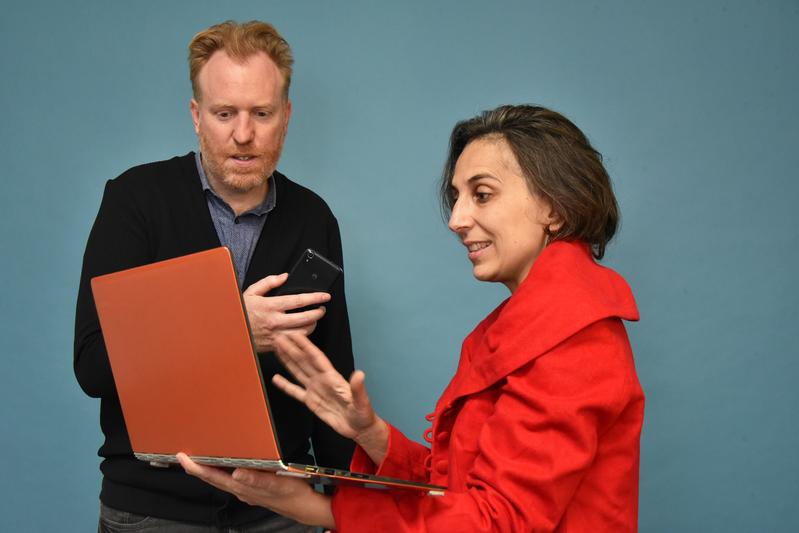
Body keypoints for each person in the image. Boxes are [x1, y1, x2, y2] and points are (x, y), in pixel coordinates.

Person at [179, 104, 646, 532]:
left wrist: (318, 508)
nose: (457, 218)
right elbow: (463, 488)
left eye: (482, 195)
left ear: (555, 208)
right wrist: (373, 434)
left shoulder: (573, 338)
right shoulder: (534, 324)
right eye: (457, 196)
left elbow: (496, 523)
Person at [74, 20, 355, 532]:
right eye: (225, 113)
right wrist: (231, 330)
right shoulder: (134, 201)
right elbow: (93, 367)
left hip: (279, 511)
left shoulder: (315, 219)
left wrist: (353, 510)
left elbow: (331, 381)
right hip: (152, 510)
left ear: (286, 118)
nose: (243, 135)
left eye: (261, 114)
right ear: (196, 116)